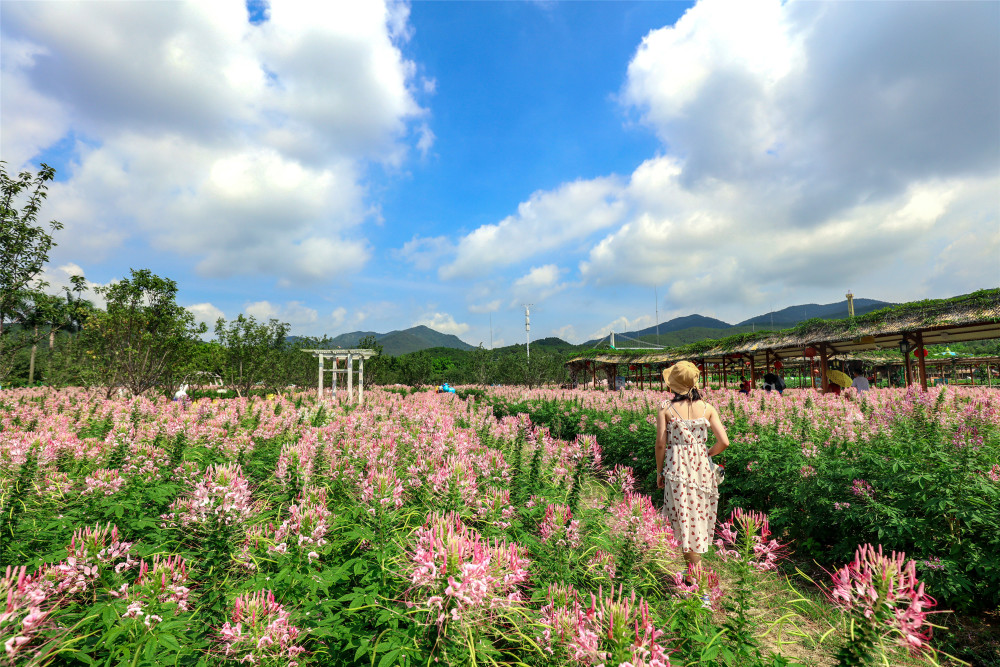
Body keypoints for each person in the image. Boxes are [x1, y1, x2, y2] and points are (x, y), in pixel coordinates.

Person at [656, 361, 731, 572]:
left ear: (673, 385)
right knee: (697, 516)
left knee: (683, 517)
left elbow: (661, 444)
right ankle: (693, 575)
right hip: (702, 469)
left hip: (677, 468)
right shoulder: (708, 408)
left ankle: (697, 580)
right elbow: (724, 442)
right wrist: (705, 453)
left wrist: (659, 471)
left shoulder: (666, 408)